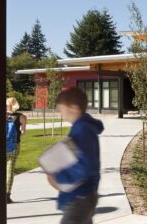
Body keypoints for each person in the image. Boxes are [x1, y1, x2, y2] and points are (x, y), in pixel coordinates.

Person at [46, 87, 104, 224]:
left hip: (80, 197)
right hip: (83, 195)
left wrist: (58, 178)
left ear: (73, 108)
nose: (61, 114)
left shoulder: (82, 129)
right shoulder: (83, 127)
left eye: (61, 110)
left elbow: (86, 164)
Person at [6, 97, 27, 204]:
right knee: (10, 171)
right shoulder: (22, 117)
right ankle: (7, 195)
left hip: (1, 146)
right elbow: (23, 132)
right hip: (14, 145)